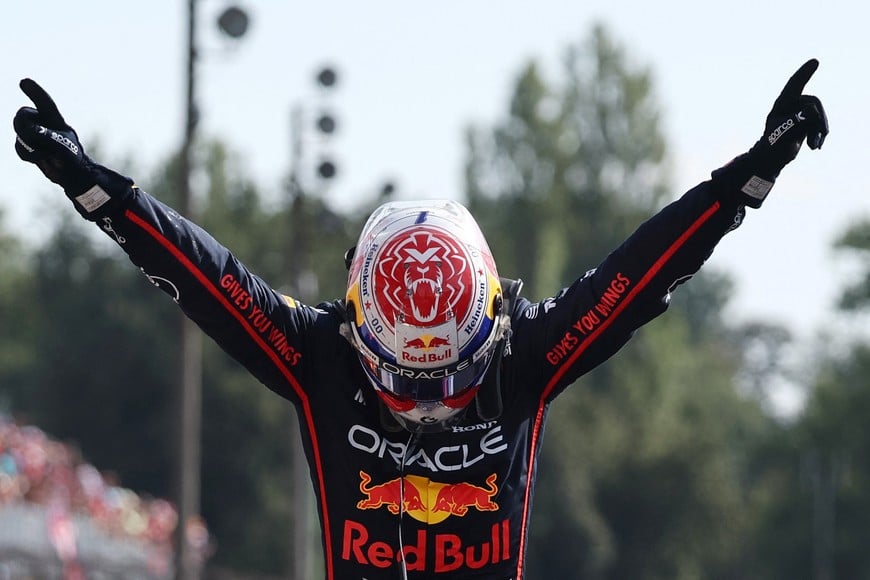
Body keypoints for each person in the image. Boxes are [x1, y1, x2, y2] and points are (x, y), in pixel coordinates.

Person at [12, 59, 828, 580]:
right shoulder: (316, 354)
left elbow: (635, 276)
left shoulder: (529, 355)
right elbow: (207, 277)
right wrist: (92, 186)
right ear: (357, 328)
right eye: (408, 378)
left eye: (453, 375)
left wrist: (748, 177)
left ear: (492, 323)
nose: (433, 401)